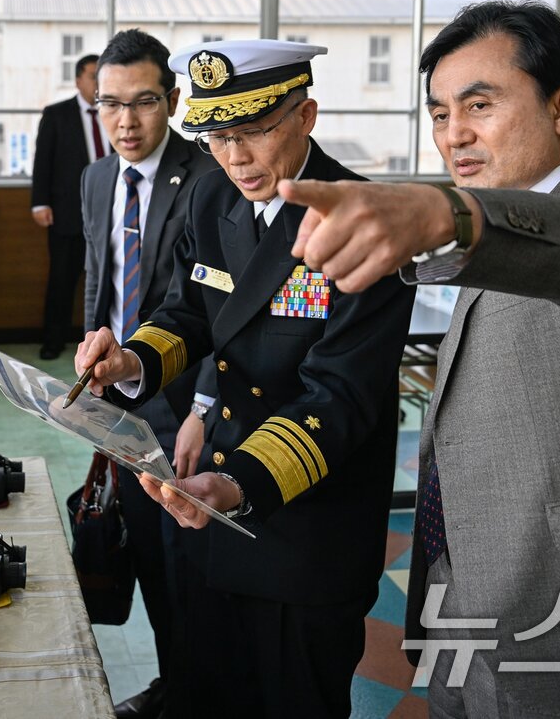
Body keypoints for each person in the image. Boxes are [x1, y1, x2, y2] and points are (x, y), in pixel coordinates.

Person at [267, 0, 560, 716]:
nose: (455, 135)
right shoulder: (489, 217)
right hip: (467, 620)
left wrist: (450, 214)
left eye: (480, 104)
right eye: (439, 114)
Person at [76, 38, 415, 718]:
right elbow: (189, 311)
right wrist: (132, 360)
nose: (235, 157)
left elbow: (339, 398)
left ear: (306, 115)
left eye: (254, 132)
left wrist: (233, 485)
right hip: (213, 514)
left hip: (302, 525)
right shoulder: (213, 198)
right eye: (217, 136)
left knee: (293, 701)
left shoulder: (362, 222)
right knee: (212, 693)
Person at [79, 28, 219, 719]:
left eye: (142, 103)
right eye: (109, 105)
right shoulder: (97, 176)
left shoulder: (209, 179)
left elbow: (220, 306)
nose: (125, 122)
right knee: (142, 557)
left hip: (183, 405)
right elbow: (98, 286)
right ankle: (174, 685)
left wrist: (203, 404)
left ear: (172, 100)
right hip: (117, 405)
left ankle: (193, 692)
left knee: (185, 566)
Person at [33, 54, 107, 359]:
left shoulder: (114, 111)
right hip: (66, 212)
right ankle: (53, 341)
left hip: (108, 211)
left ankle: (104, 343)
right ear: (78, 80)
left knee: (106, 280)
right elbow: (42, 162)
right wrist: (40, 202)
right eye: (93, 76)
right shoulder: (57, 114)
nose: (98, 82)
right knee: (62, 279)